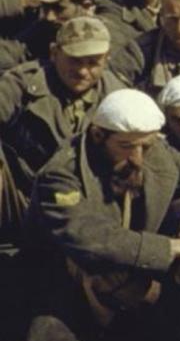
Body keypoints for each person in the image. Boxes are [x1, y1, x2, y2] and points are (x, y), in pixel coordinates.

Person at [23, 89, 180, 341]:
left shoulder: (154, 152)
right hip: (66, 277)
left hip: (130, 274)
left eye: (146, 146)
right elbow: (91, 237)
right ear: (99, 136)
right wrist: (175, 247)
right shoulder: (61, 174)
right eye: (126, 147)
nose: (138, 158)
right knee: (48, 326)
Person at [0, 17, 125, 233]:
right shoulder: (23, 83)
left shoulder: (120, 96)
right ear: (54, 53)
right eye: (75, 60)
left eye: (93, 62)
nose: (83, 71)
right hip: (25, 195)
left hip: (87, 201)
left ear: (107, 59)